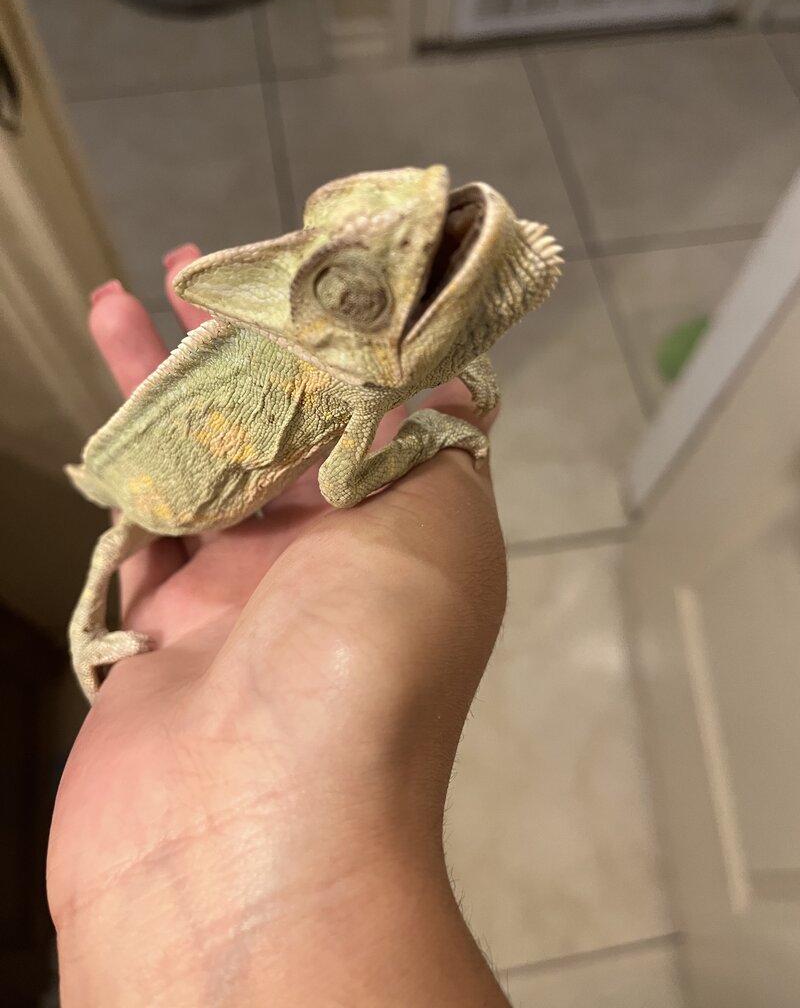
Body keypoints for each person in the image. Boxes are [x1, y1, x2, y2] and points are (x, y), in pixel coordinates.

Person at [47, 245, 512, 1006]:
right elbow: (343, 477)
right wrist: (427, 437)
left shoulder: (355, 366)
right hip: (153, 486)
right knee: (115, 542)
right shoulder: (348, 374)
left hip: (207, 464)